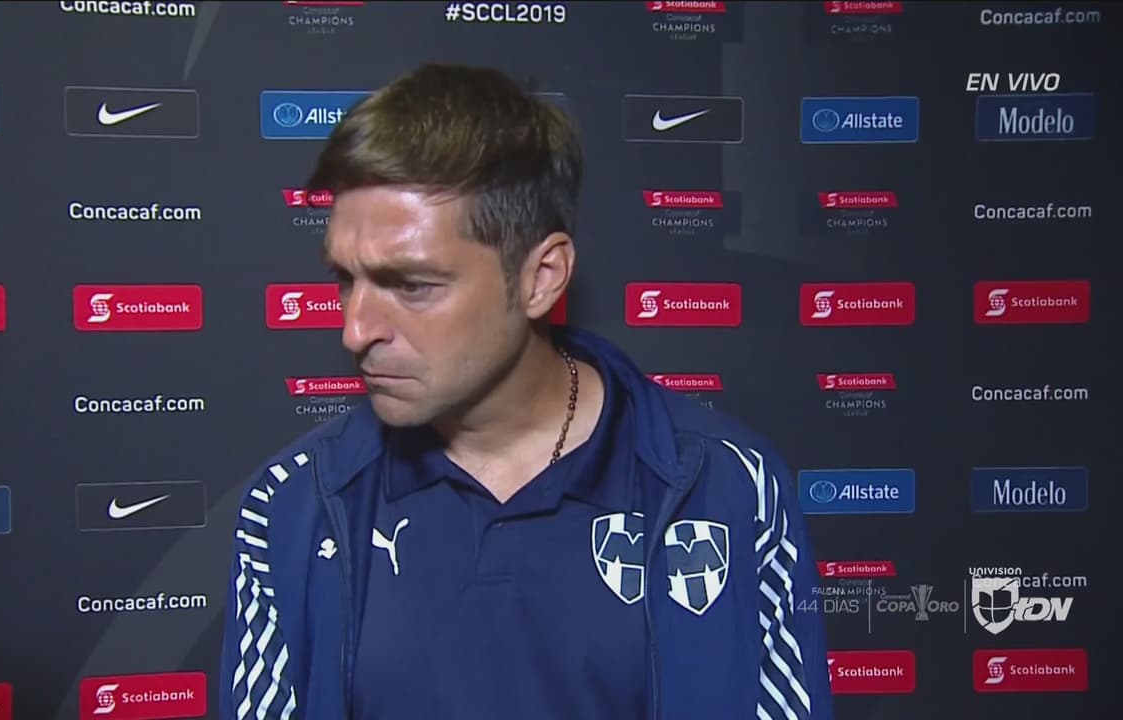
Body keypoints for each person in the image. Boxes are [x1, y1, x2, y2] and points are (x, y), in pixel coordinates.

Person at [219, 63, 834, 720]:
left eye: (413, 285)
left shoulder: (728, 485)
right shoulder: (293, 505)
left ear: (542, 277)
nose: (356, 330)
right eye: (346, 279)